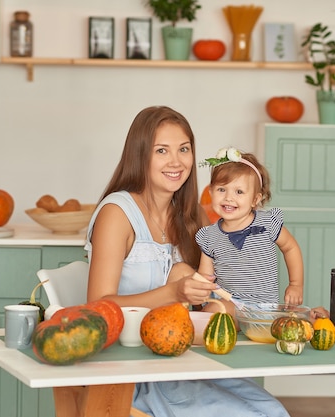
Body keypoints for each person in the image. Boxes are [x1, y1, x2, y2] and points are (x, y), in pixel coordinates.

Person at [84, 106, 292, 417]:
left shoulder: (190, 214)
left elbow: (212, 295)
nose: (176, 161)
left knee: (273, 412)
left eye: (184, 149)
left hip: (185, 362)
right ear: (140, 155)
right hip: (132, 372)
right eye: (161, 150)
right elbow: (97, 307)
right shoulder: (118, 213)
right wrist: (175, 293)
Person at [194, 147, 304, 314]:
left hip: (265, 309)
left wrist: (296, 284)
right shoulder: (209, 236)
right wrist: (199, 292)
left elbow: (290, 248)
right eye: (221, 190)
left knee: (301, 320)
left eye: (239, 192)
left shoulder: (267, 223)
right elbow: (205, 277)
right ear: (211, 192)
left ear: (255, 199)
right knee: (214, 311)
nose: (228, 197)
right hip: (232, 305)